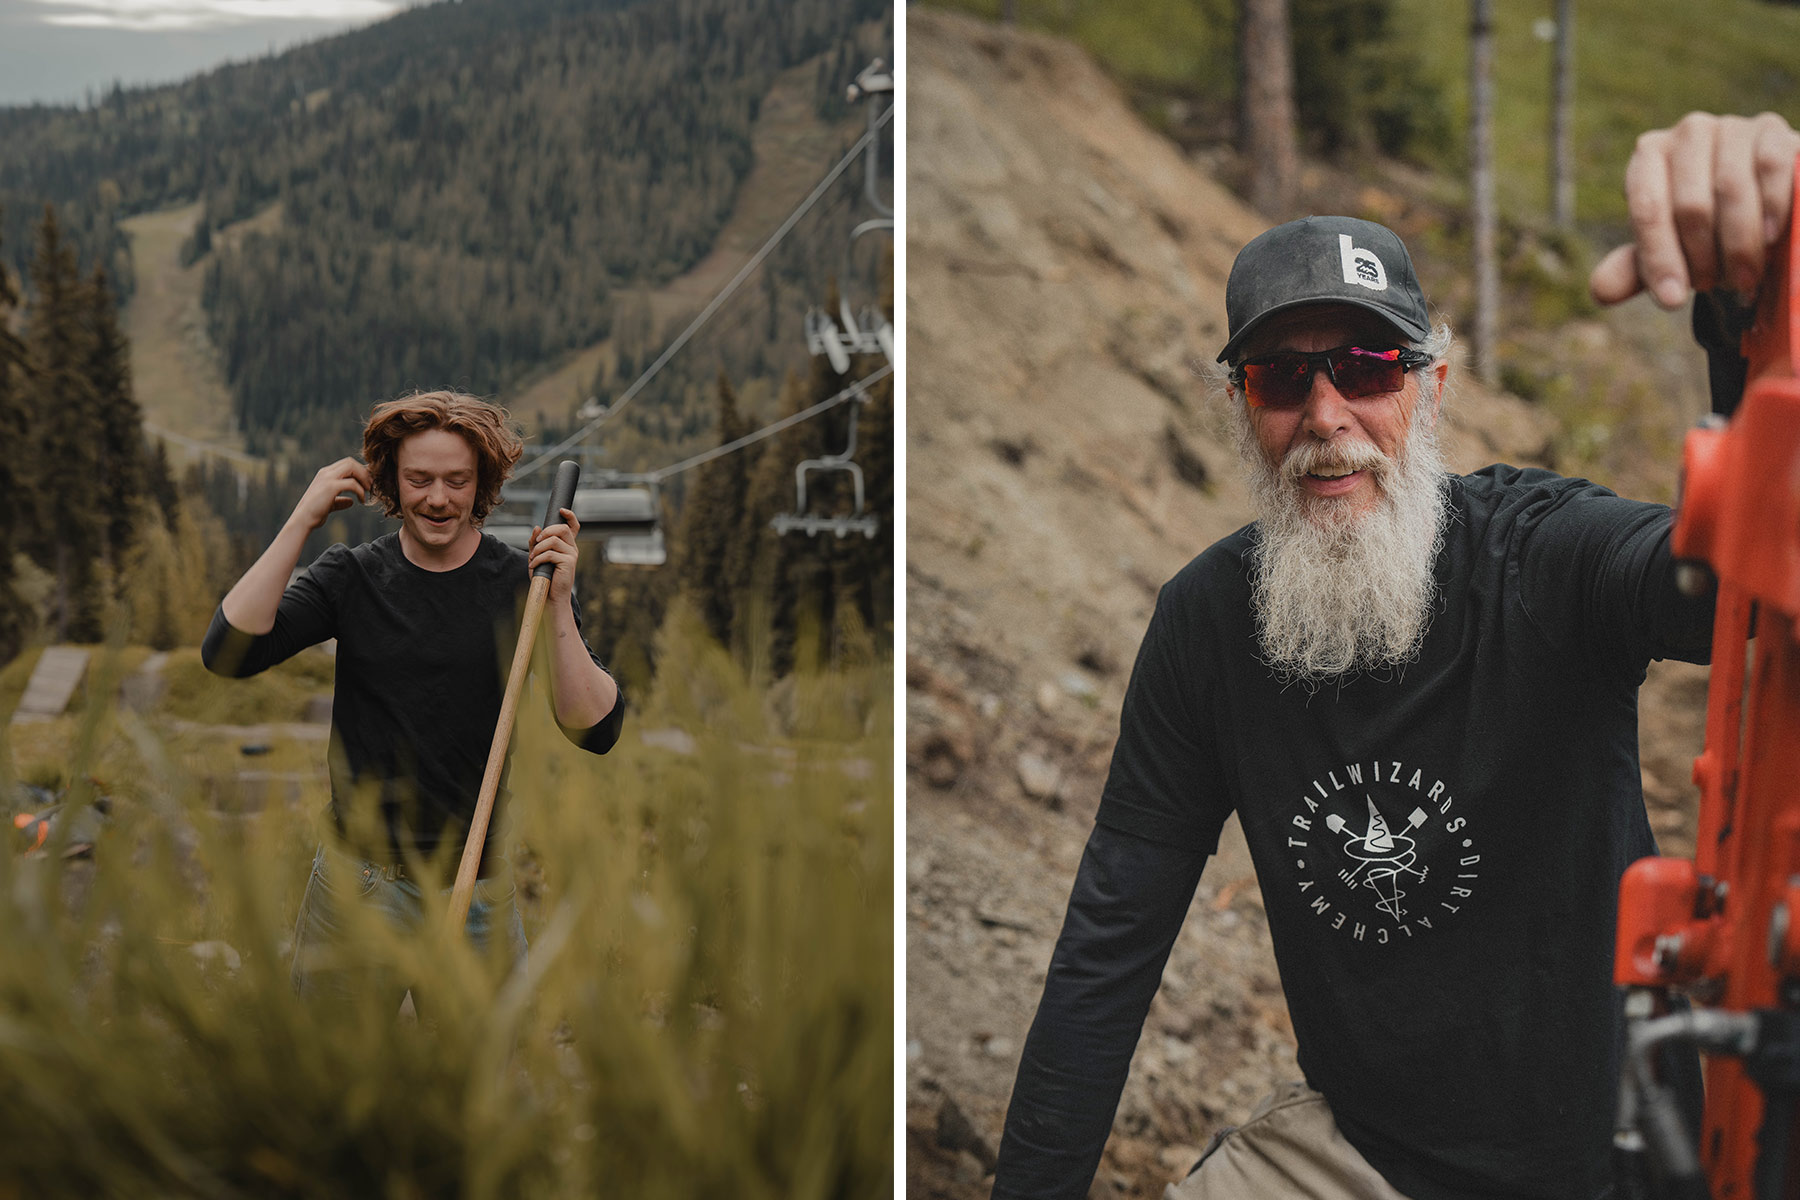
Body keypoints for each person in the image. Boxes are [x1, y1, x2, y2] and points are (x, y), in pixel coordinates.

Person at [992, 112, 1800, 1200]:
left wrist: (1747, 330)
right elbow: (1109, 944)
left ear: (1432, 385)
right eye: (1281, 379)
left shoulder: (1541, 555)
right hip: (1362, 1157)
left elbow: (1736, 593)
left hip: (1613, 1162)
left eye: (1368, 366)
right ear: (1242, 408)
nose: (1327, 416)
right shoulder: (1206, 626)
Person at [201, 390, 624, 1004]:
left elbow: (596, 730)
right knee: (334, 1084)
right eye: (419, 478)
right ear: (390, 484)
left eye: (457, 480)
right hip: (358, 887)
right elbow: (228, 652)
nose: (438, 498)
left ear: (481, 484)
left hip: (476, 889)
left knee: (471, 1093)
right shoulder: (352, 578)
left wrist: (559, 601)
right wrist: (302, 520)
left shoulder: (523, 584)